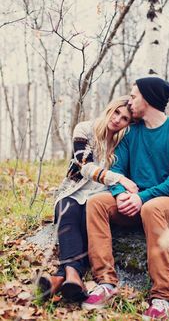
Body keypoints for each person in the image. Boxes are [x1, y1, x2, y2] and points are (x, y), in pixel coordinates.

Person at [82, 77, 169, 320]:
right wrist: (120, 194)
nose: (130, 101)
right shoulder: (131, 133)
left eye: (134, 96)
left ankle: (161, 297)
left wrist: (142, 198)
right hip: (133, 200)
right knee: (96, 203)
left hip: (168, 201)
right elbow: (118, 171)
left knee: (151, 208)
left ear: (149, 98)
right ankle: (105, 282)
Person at [38, 96, 138, 302]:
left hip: (100, 198)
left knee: (88, 217)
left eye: (125, 118)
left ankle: (60, 277)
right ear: (109, 108)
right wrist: (118, 177)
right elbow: (84, 166)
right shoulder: (84, 129)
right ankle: (73, 275)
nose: (118, 119)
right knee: (68, 211)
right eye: (116, 112)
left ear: (128, 123)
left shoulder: (123, 143)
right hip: (73, 192)